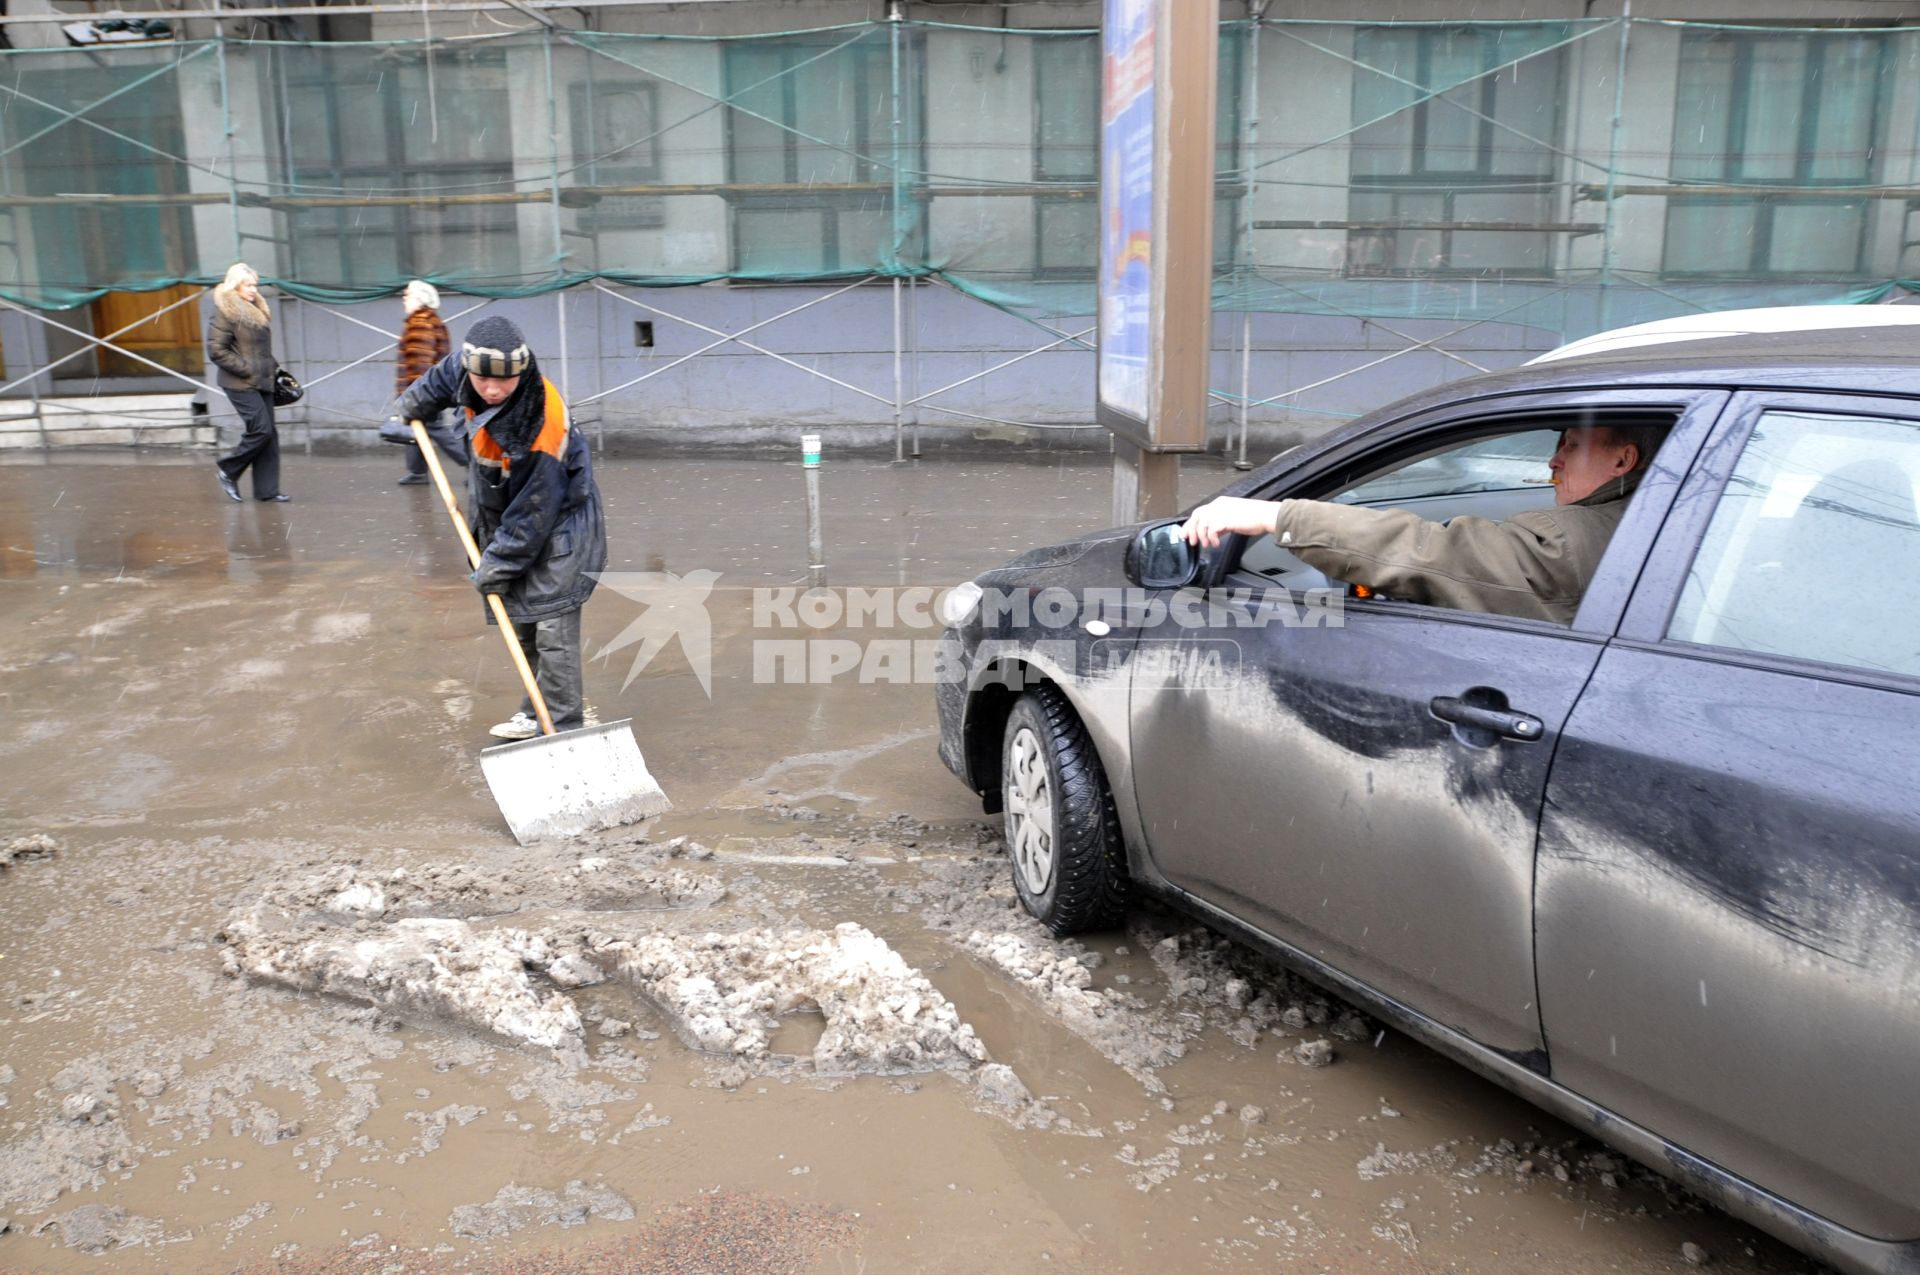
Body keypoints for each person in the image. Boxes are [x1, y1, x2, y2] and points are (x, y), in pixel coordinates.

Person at [1180, 422, 1663, 625]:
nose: (1553, 462)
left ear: (1624, 459)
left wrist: (1277, 515)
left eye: (1573, 445)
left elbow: (1436, 554)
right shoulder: (1650, 522)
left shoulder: (1570, 540)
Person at [382, 316, 607, 740]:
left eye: (504, 382)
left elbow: (533, 514)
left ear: (521, 373)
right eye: (482, 380)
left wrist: (495, 564)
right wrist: (410, 405)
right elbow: (436, 381)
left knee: (552, 629)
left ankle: (563, 728)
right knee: (519, 619)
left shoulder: (541, 424)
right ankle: (533, 712)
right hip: (508, 516)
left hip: (560, 527)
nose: (491, 389)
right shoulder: (468, 368)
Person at [207, 262, 289, 503]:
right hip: (238, 382)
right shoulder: (225, 311)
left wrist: (275, 370)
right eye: (248, 285)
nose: (253, 289)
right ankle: (228, 470)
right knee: (261, 430)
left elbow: (258, 350)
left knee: (269, 435)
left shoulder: (255, 310)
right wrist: (247, 369)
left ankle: (267, 491)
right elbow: (215, 350)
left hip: (262, 380)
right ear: (235, 285)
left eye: (255, 285)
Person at [392, 280, 468, 486]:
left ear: (419, 298)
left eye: (407, 295)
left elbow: (420, 363)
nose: (404, 299)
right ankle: (417, 472)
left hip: (424, 391)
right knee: (418, 427)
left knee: (434, 428)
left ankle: (471, 462)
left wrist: (415, 395)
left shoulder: (420, 322)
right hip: (429, 389)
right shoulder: (430, 320)